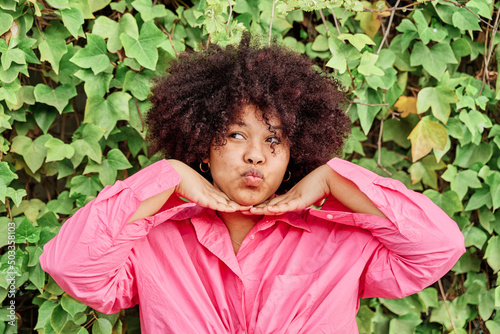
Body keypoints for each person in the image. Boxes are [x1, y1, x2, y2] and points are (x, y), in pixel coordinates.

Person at [40, 35, 465, 333]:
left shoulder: (341, 241)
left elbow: (439, 247)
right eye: (235, 135)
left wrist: (335, 177)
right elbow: (71, 266)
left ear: (294, 150)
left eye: (273, 139)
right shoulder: (154, 242)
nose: (256, 155)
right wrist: (167, 175)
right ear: (201, 144)